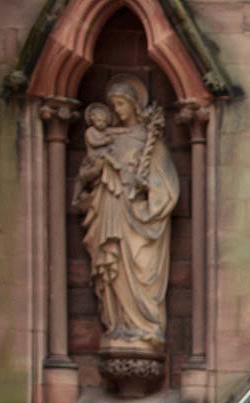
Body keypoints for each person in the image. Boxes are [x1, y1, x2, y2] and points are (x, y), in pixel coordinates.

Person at [78, 75, 179, 356]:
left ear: (134, 105)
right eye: (114, 105)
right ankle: (118, 325)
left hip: (139, 218)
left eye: (121, 103)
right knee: (113, 270)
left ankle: (145, 329)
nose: (117, 110)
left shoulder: (149, 141)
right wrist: (98, 170)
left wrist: (146, 188)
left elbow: (168, 187)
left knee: (140, 266)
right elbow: (86, 176)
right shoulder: (105, 140)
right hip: (109, 209)